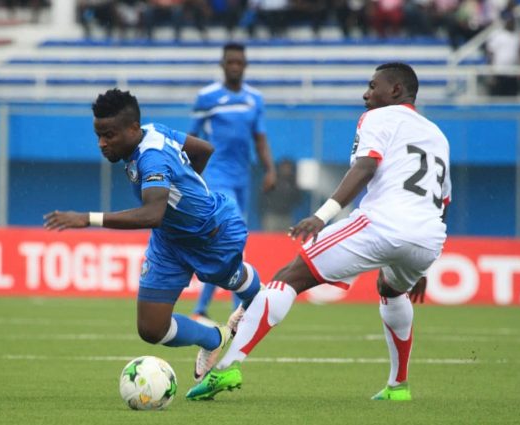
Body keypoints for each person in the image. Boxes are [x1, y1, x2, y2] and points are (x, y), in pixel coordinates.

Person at [187, 62, 452, 402]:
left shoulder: (377, 117)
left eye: (373, 86)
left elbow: (366, 166)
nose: (366, 94)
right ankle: (398, 387)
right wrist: (421, 265)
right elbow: (443, 201)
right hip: (428, 237)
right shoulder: (437, 135)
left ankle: (227, 367)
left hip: (383, 224)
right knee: (391, 288)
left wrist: (322, 215)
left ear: (396, 90)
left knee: (288, 277)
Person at [43, 88, 263, 383]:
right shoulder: (152, 130)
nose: (102, 143)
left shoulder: (153, 158)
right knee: (151, 328)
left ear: (133, 129)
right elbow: (203, 149)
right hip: (169, 239)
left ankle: (255, 292)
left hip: (209, 233)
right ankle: (214, 338)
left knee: (232, 279)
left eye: (109, 135)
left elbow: (151, 214)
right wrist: (184, 187)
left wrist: (87, 218)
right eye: (99, 135)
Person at [189, 42, 277, 326]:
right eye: (231, 62)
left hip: (242, 178)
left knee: (227, 243)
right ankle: (239, 308)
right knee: (233, 233)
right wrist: (188, 173)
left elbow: (260, 138)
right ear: (222, 64)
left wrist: (270, 169)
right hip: (216, 176)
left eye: (239, 62)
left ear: (245, 65)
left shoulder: (255, 99)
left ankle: (202, 308)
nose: (235, 66)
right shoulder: (207, 97)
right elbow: (192, 138)